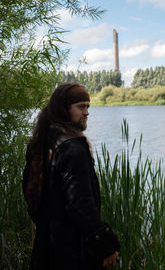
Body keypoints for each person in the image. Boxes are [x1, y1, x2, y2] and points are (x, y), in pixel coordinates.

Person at [23, 82, 120, 270]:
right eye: (81, 107)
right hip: (71, 250)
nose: (87, 112)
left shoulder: (43, 140)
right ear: (63, 109)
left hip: (48, 244)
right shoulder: (73, 149)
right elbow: (81, 205)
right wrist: (106, 246)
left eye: (88, 106)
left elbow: (30, 192)